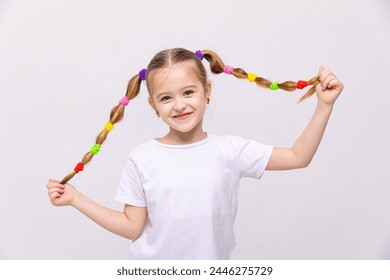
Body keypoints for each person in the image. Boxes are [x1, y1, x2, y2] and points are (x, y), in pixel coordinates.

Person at [46, 48, 344, 259]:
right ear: (153, 106)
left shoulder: (229, 150)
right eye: (166, 98)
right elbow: (131, 226)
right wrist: (75, 199)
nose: (179, 105)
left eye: (188, 92)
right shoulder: (142, 157)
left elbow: (297, 157)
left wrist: (323, 106)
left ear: (207, 92)